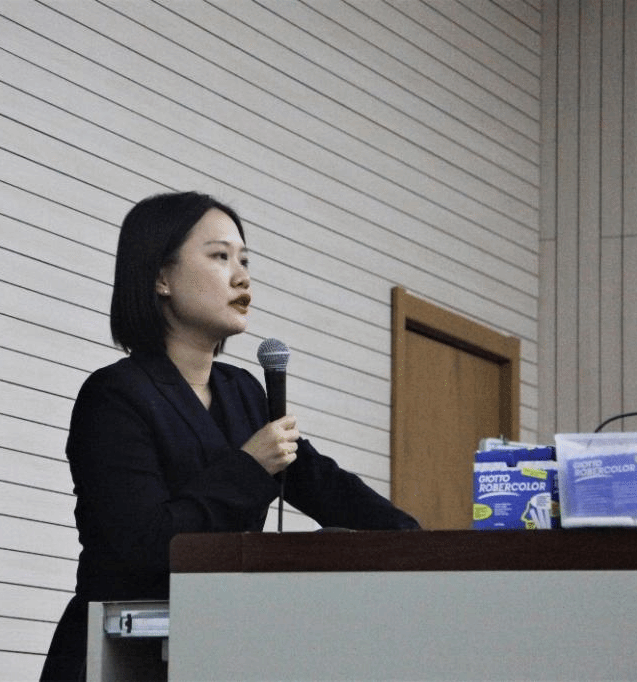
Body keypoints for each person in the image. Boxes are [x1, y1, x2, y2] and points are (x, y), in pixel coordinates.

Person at [40, 191, 419, 681]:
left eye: (244, 261)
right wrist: (249, 468)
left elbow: (323, 484)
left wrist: (417, 541)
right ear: (161, 278)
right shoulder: (114, 396)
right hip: (121, 654)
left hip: (214, 646)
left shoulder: (242, 392)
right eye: (220, 257)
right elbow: (144, 544)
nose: (242, 277)